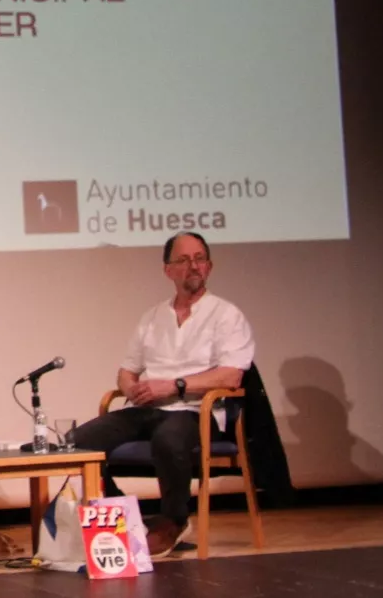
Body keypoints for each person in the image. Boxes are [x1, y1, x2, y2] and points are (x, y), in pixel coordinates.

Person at [70, 232, 255, 556]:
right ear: (168, 270)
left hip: (198, 410)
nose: (193, 266)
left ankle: (173, 520)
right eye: (183, 260)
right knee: (77, 443)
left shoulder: (226, 315)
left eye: (199, 259)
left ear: (209, 266)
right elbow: (127, 370)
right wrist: (132, 388)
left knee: (168, 439)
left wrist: (174, 385)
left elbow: (231, 375)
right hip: (150, 408)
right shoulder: (153, 316)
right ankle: (126, 517)